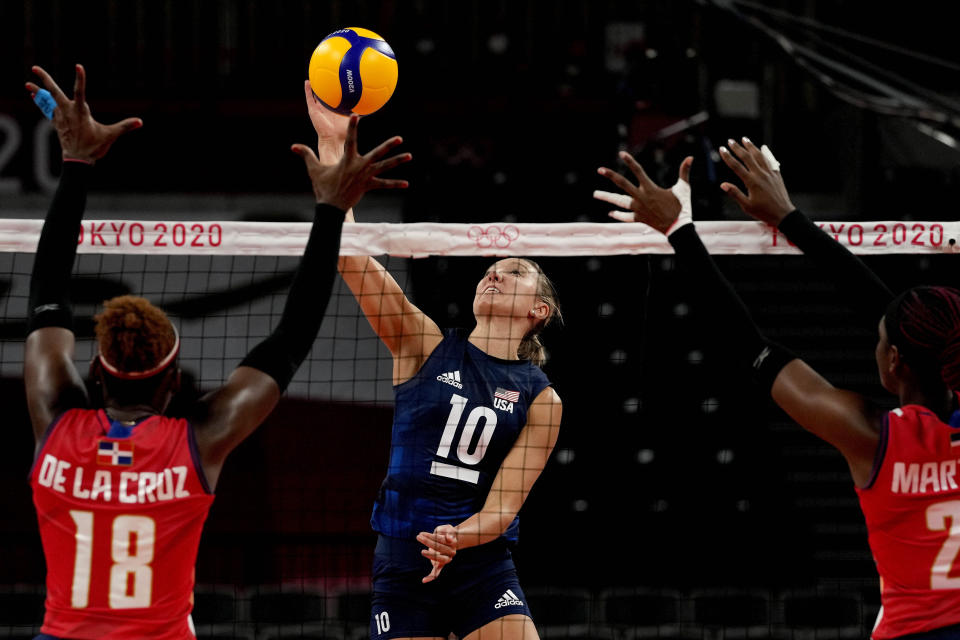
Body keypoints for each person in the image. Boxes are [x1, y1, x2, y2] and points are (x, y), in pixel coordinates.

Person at [24, 63, 410, 639]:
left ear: (96, 377)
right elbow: (289, 342)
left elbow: (46, 300)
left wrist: (76, 164)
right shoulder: (192, 444)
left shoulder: (57, 424)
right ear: (173, 381)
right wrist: (331, 211)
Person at [595, 139, 960, 639]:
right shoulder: (883, 419)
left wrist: (680, 229)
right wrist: (788, 218)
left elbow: (751, 346)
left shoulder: (872, 438)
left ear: (894, 360)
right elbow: (904, 326)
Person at [304, 82, 563, 640]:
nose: (494, 272)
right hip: (402, 558)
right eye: (491, 267)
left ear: (538, 310)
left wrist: (459, 538)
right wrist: (331, 149)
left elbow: (503, 506)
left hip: (481, 562)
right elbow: (351, 259)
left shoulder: (542, 399)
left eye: (514, 271)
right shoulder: (423, 344)